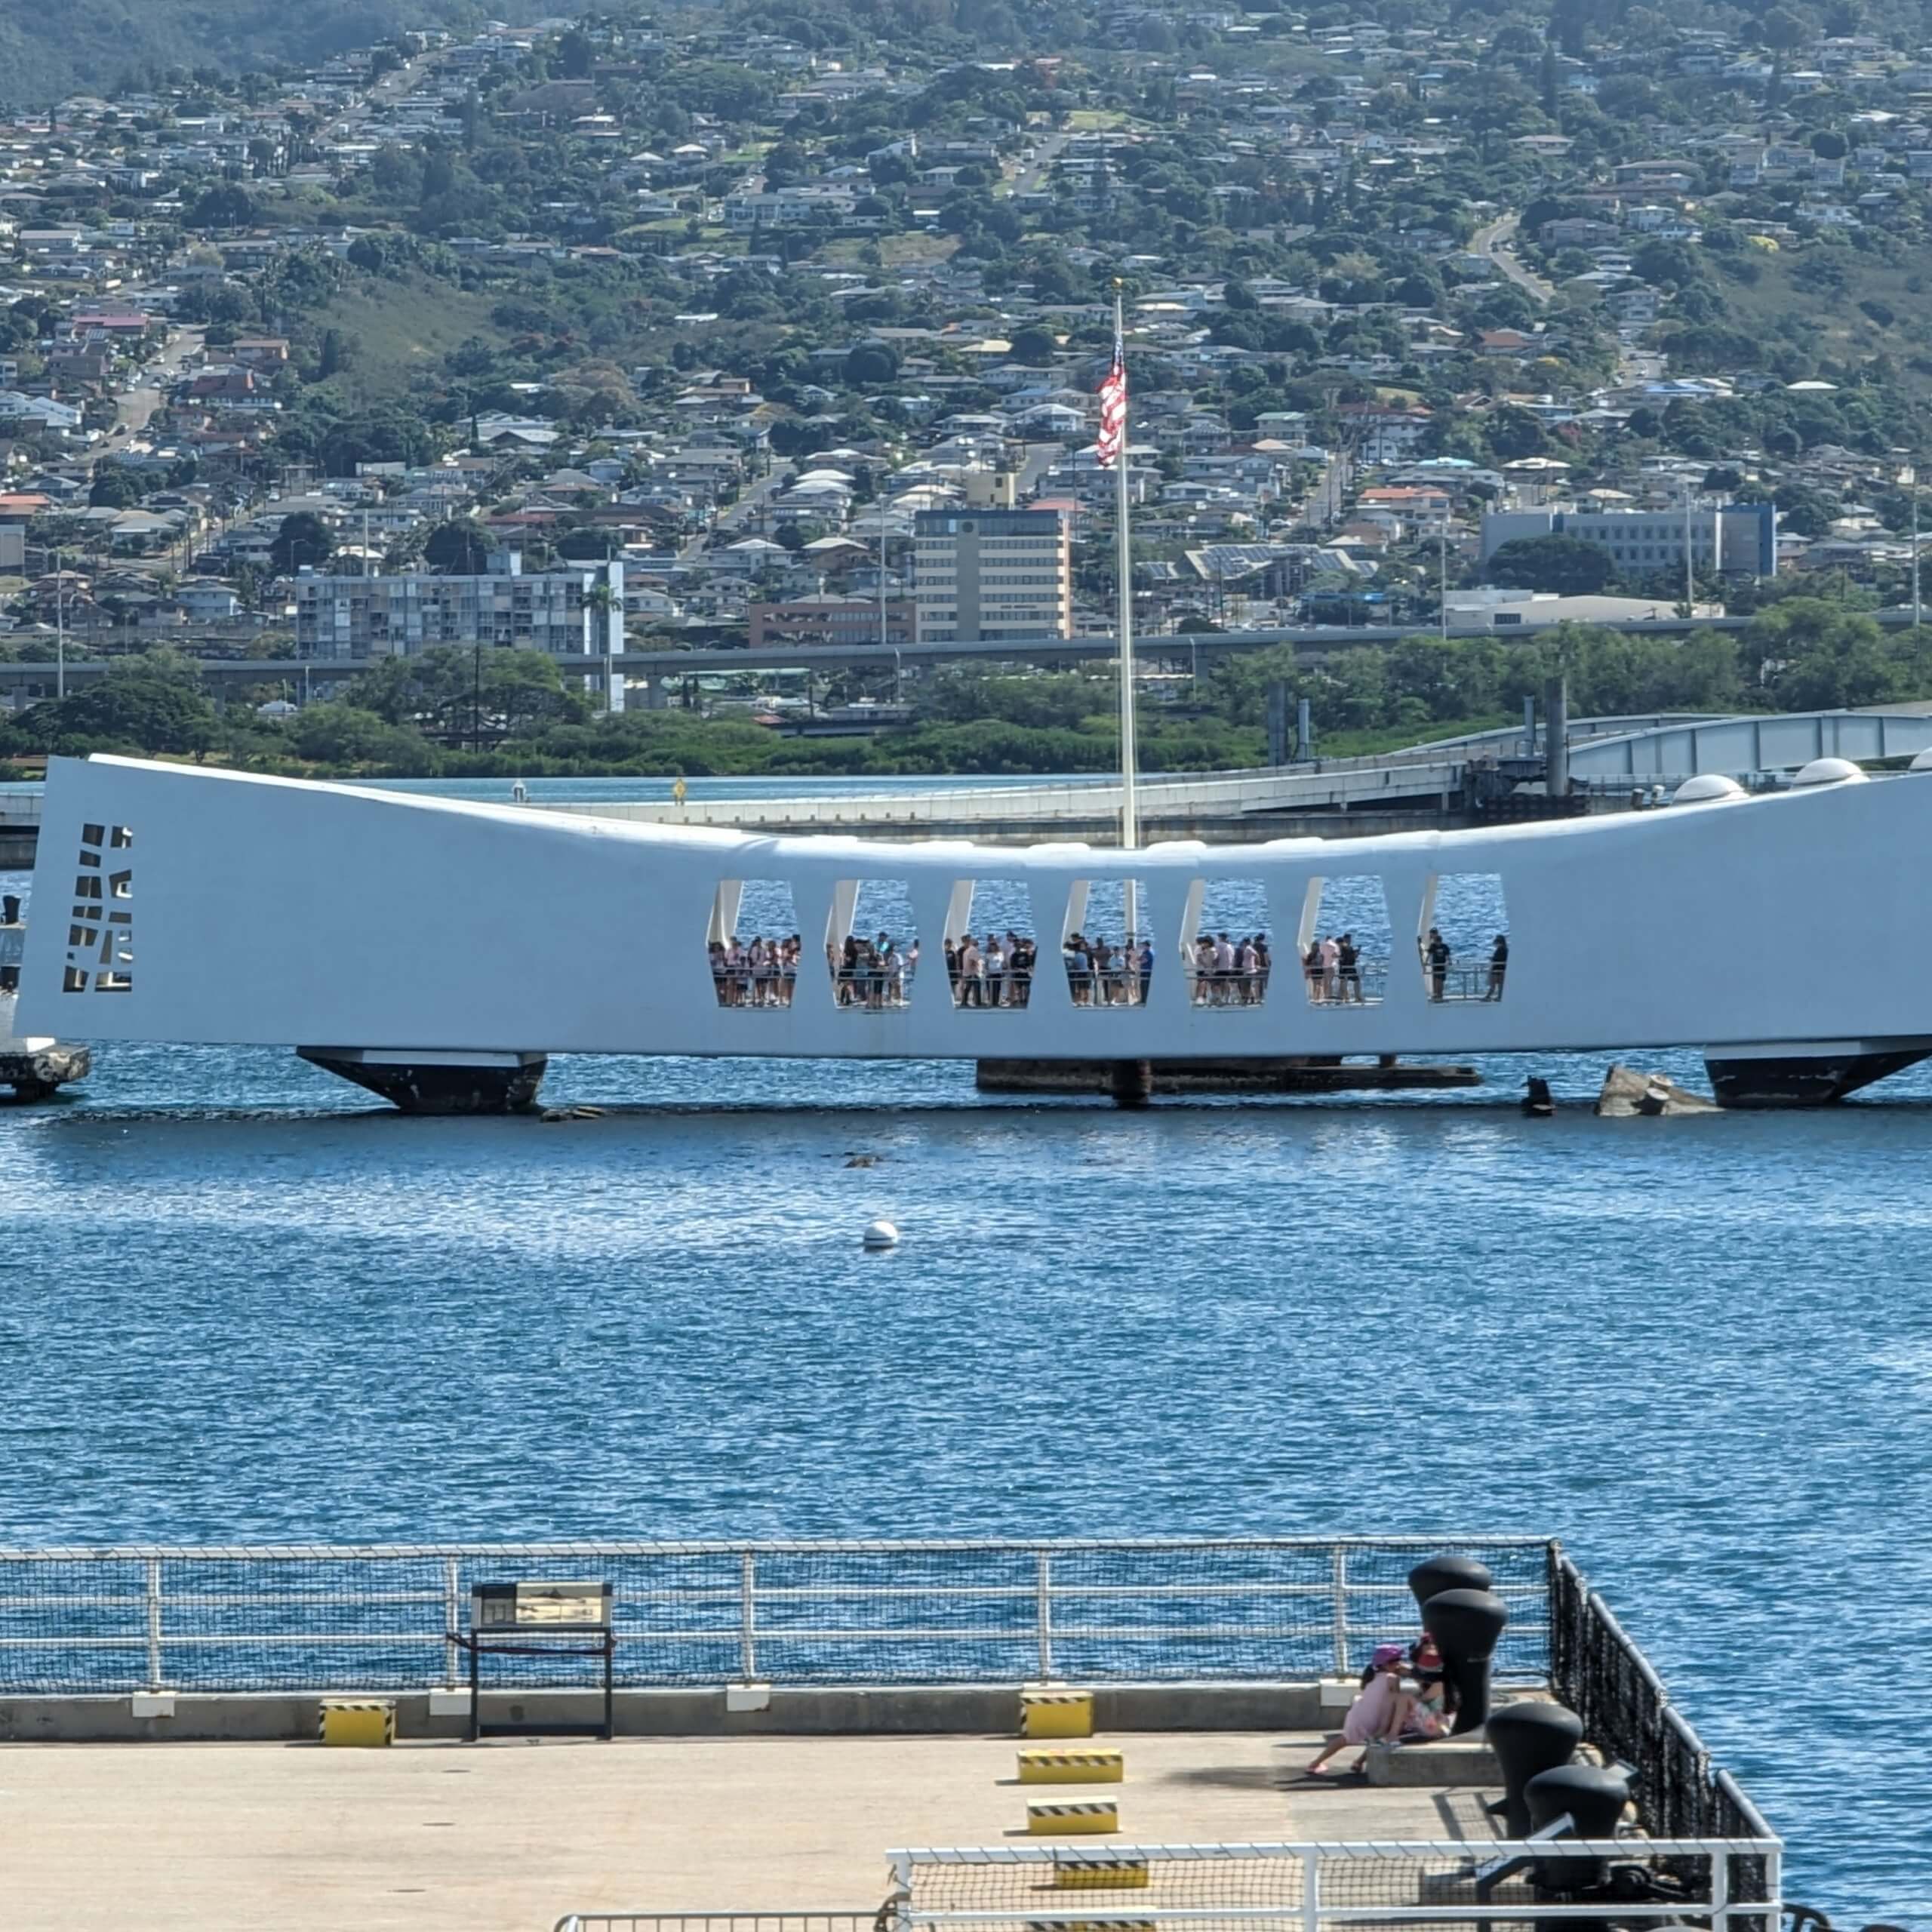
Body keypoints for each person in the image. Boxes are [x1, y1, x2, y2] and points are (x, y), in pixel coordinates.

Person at [1306, 1644, 1429, 1776]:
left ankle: (1318, 1763)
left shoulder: (1371, 1676)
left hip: (1359, 1715)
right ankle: (1357, 1762)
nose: (1400, 1663)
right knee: (1378, 1738)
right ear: (1387, 1664)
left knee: (1345, 1740)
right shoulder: (1393, 1679)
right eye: (1396, 1661)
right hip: (1376, 1716)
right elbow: (1394, 1701)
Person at [1426, 927, 1451, 1002]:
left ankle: (1440, 995)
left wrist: (1449, 961)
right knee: (1437, 981)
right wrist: (1426, 963)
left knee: (1441, 981)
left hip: (1442, 966)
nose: (1437, 943)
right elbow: (1429, 954)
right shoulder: (1433, 946)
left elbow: (1447, 956)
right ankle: (1437, 996)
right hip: (1436, 966)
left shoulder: (1444, 947)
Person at [1337, 932, 1361, 1005]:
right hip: (1345, 967)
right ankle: (1344, 998)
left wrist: (1357, 952)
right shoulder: (1343, 946)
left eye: (1350, 939)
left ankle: (1352, 997)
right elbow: (1344, 954)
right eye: (1349, 939)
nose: (1350, 940)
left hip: (1350, 967)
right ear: (1345, 939)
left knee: (1354, 981)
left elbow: (1353, 956)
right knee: (1344, 982)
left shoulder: (1349, 947)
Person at [1486, 933, 1509, 1001]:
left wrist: (1492, 959)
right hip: (1502, 969)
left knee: (1493, 985)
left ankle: (1488, 997)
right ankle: (1499, 997)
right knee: (1500, 985)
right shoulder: (1505, 949)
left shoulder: (1501, 950)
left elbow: (1497, 959)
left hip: (1497, 970)